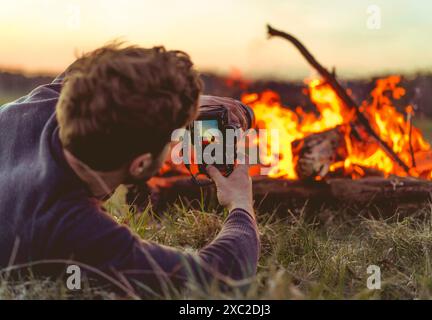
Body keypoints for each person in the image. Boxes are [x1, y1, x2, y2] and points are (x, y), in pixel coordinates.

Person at [0, 43, 260, 296]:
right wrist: (239, 201)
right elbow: (219, 275)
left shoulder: (45, 101)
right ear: (140, 165)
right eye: (172, 138)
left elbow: (98, 70)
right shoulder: (74, 228)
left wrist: (191, 104)